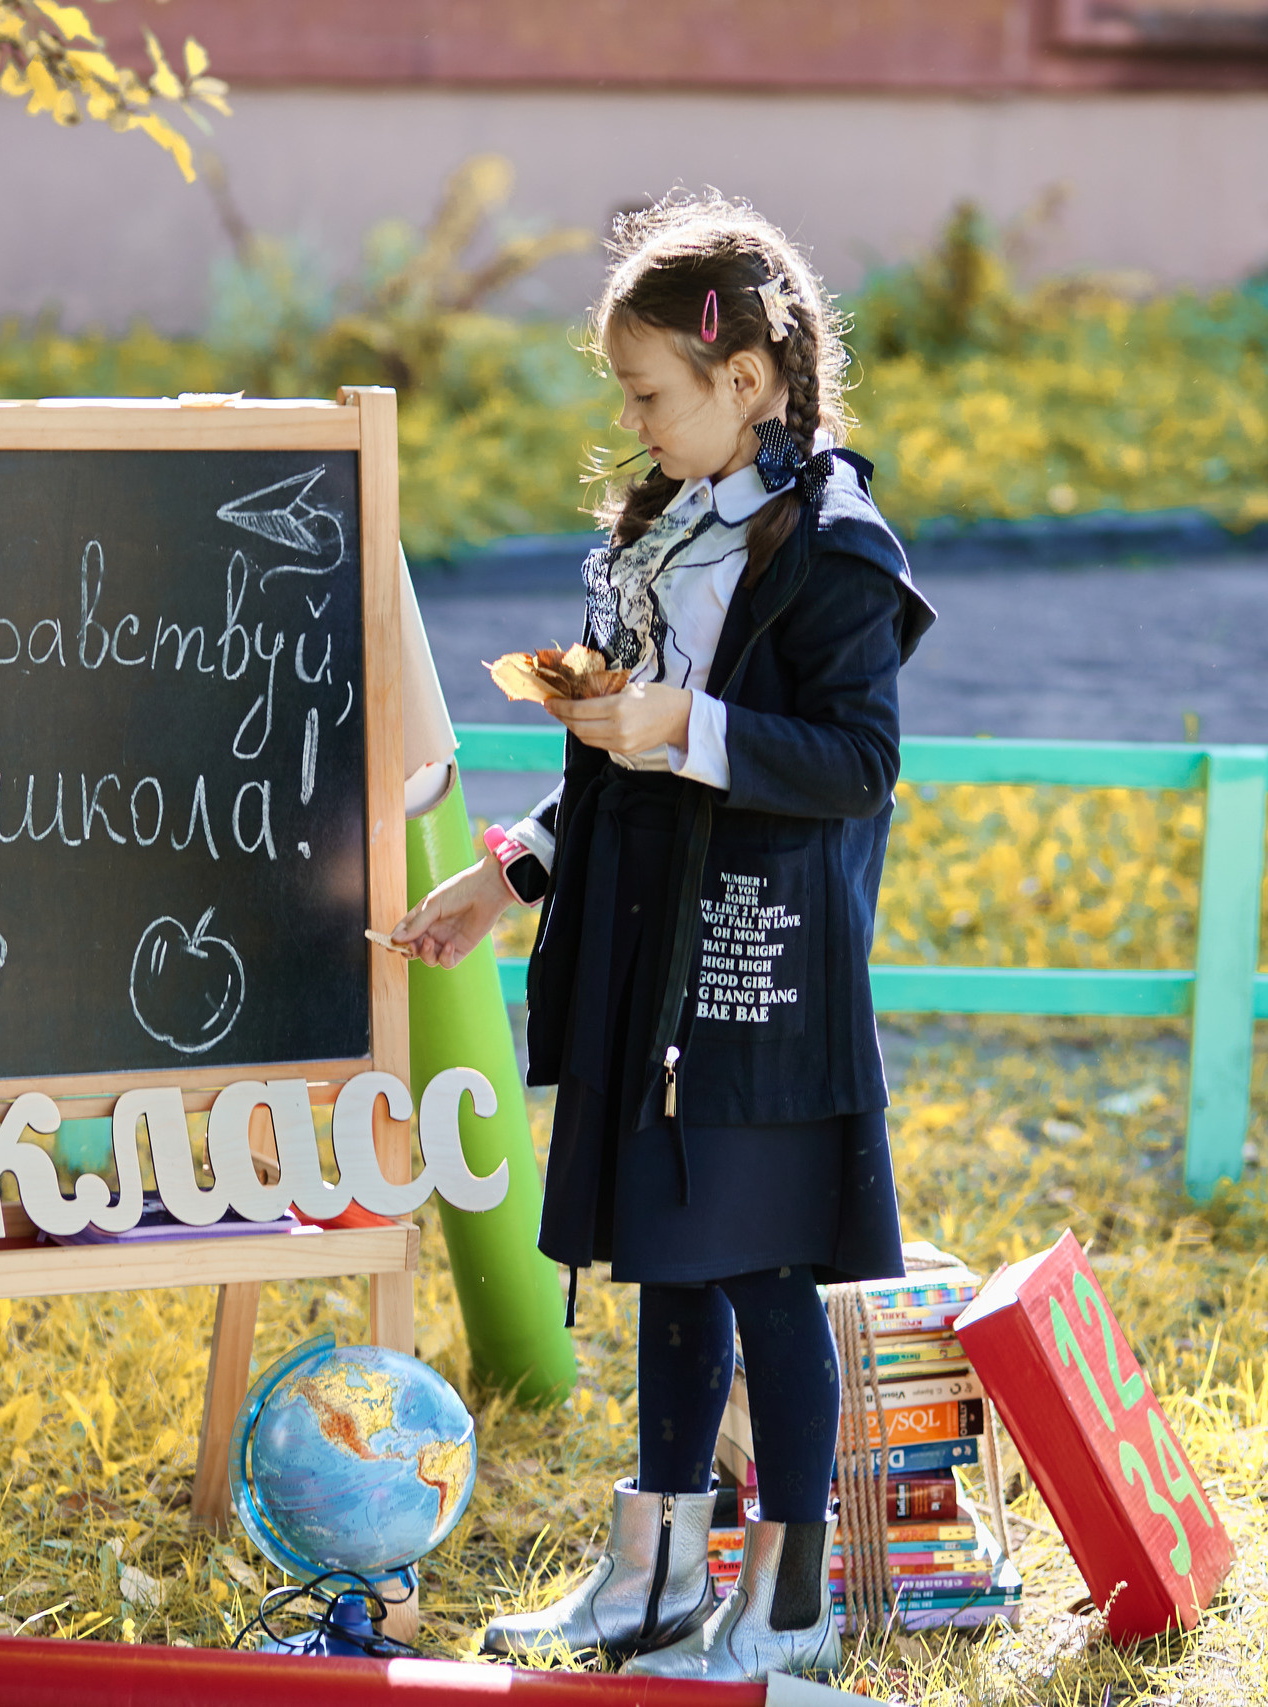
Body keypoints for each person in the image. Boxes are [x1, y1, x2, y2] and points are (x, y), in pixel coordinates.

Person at [391, 192, 934, 1682]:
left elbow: (857, 763)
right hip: (651, 964)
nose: (631, 422)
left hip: (760, 981)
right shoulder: (655, 528)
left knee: (761, 1272)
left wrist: (683, 725)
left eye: (649, 392)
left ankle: (792, 1613)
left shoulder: (834, 550)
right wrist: (506, 876)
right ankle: (653, 1580)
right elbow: (611, 773)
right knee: (672, 1263)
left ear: (745, 382)